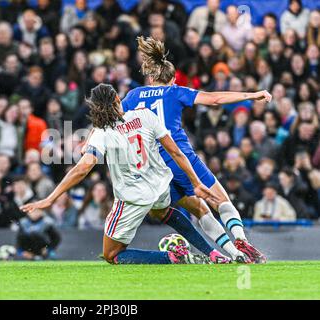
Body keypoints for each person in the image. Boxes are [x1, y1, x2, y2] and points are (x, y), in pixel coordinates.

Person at [22, 83, 223, 265]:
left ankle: (172, 257)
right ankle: (213, 253)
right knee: (161, 212)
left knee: (111, 254)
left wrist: (50, 198)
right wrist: (195, 182)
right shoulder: (144, 115)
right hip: (160, 184)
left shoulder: (102, 132)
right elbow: (176, 152)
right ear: (118, 98)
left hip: (133, 196)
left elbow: (82, 168)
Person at [121, 36, 271, 263]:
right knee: (222, 202)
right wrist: (251, 95)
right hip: (179, 159)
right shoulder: (174, 91)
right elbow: (214, 99)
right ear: (172, 79)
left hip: (153, 169)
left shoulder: (133, 95)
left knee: (200, 210)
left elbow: (111, 121)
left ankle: (233, 254)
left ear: (151, 77)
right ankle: (241, 241)